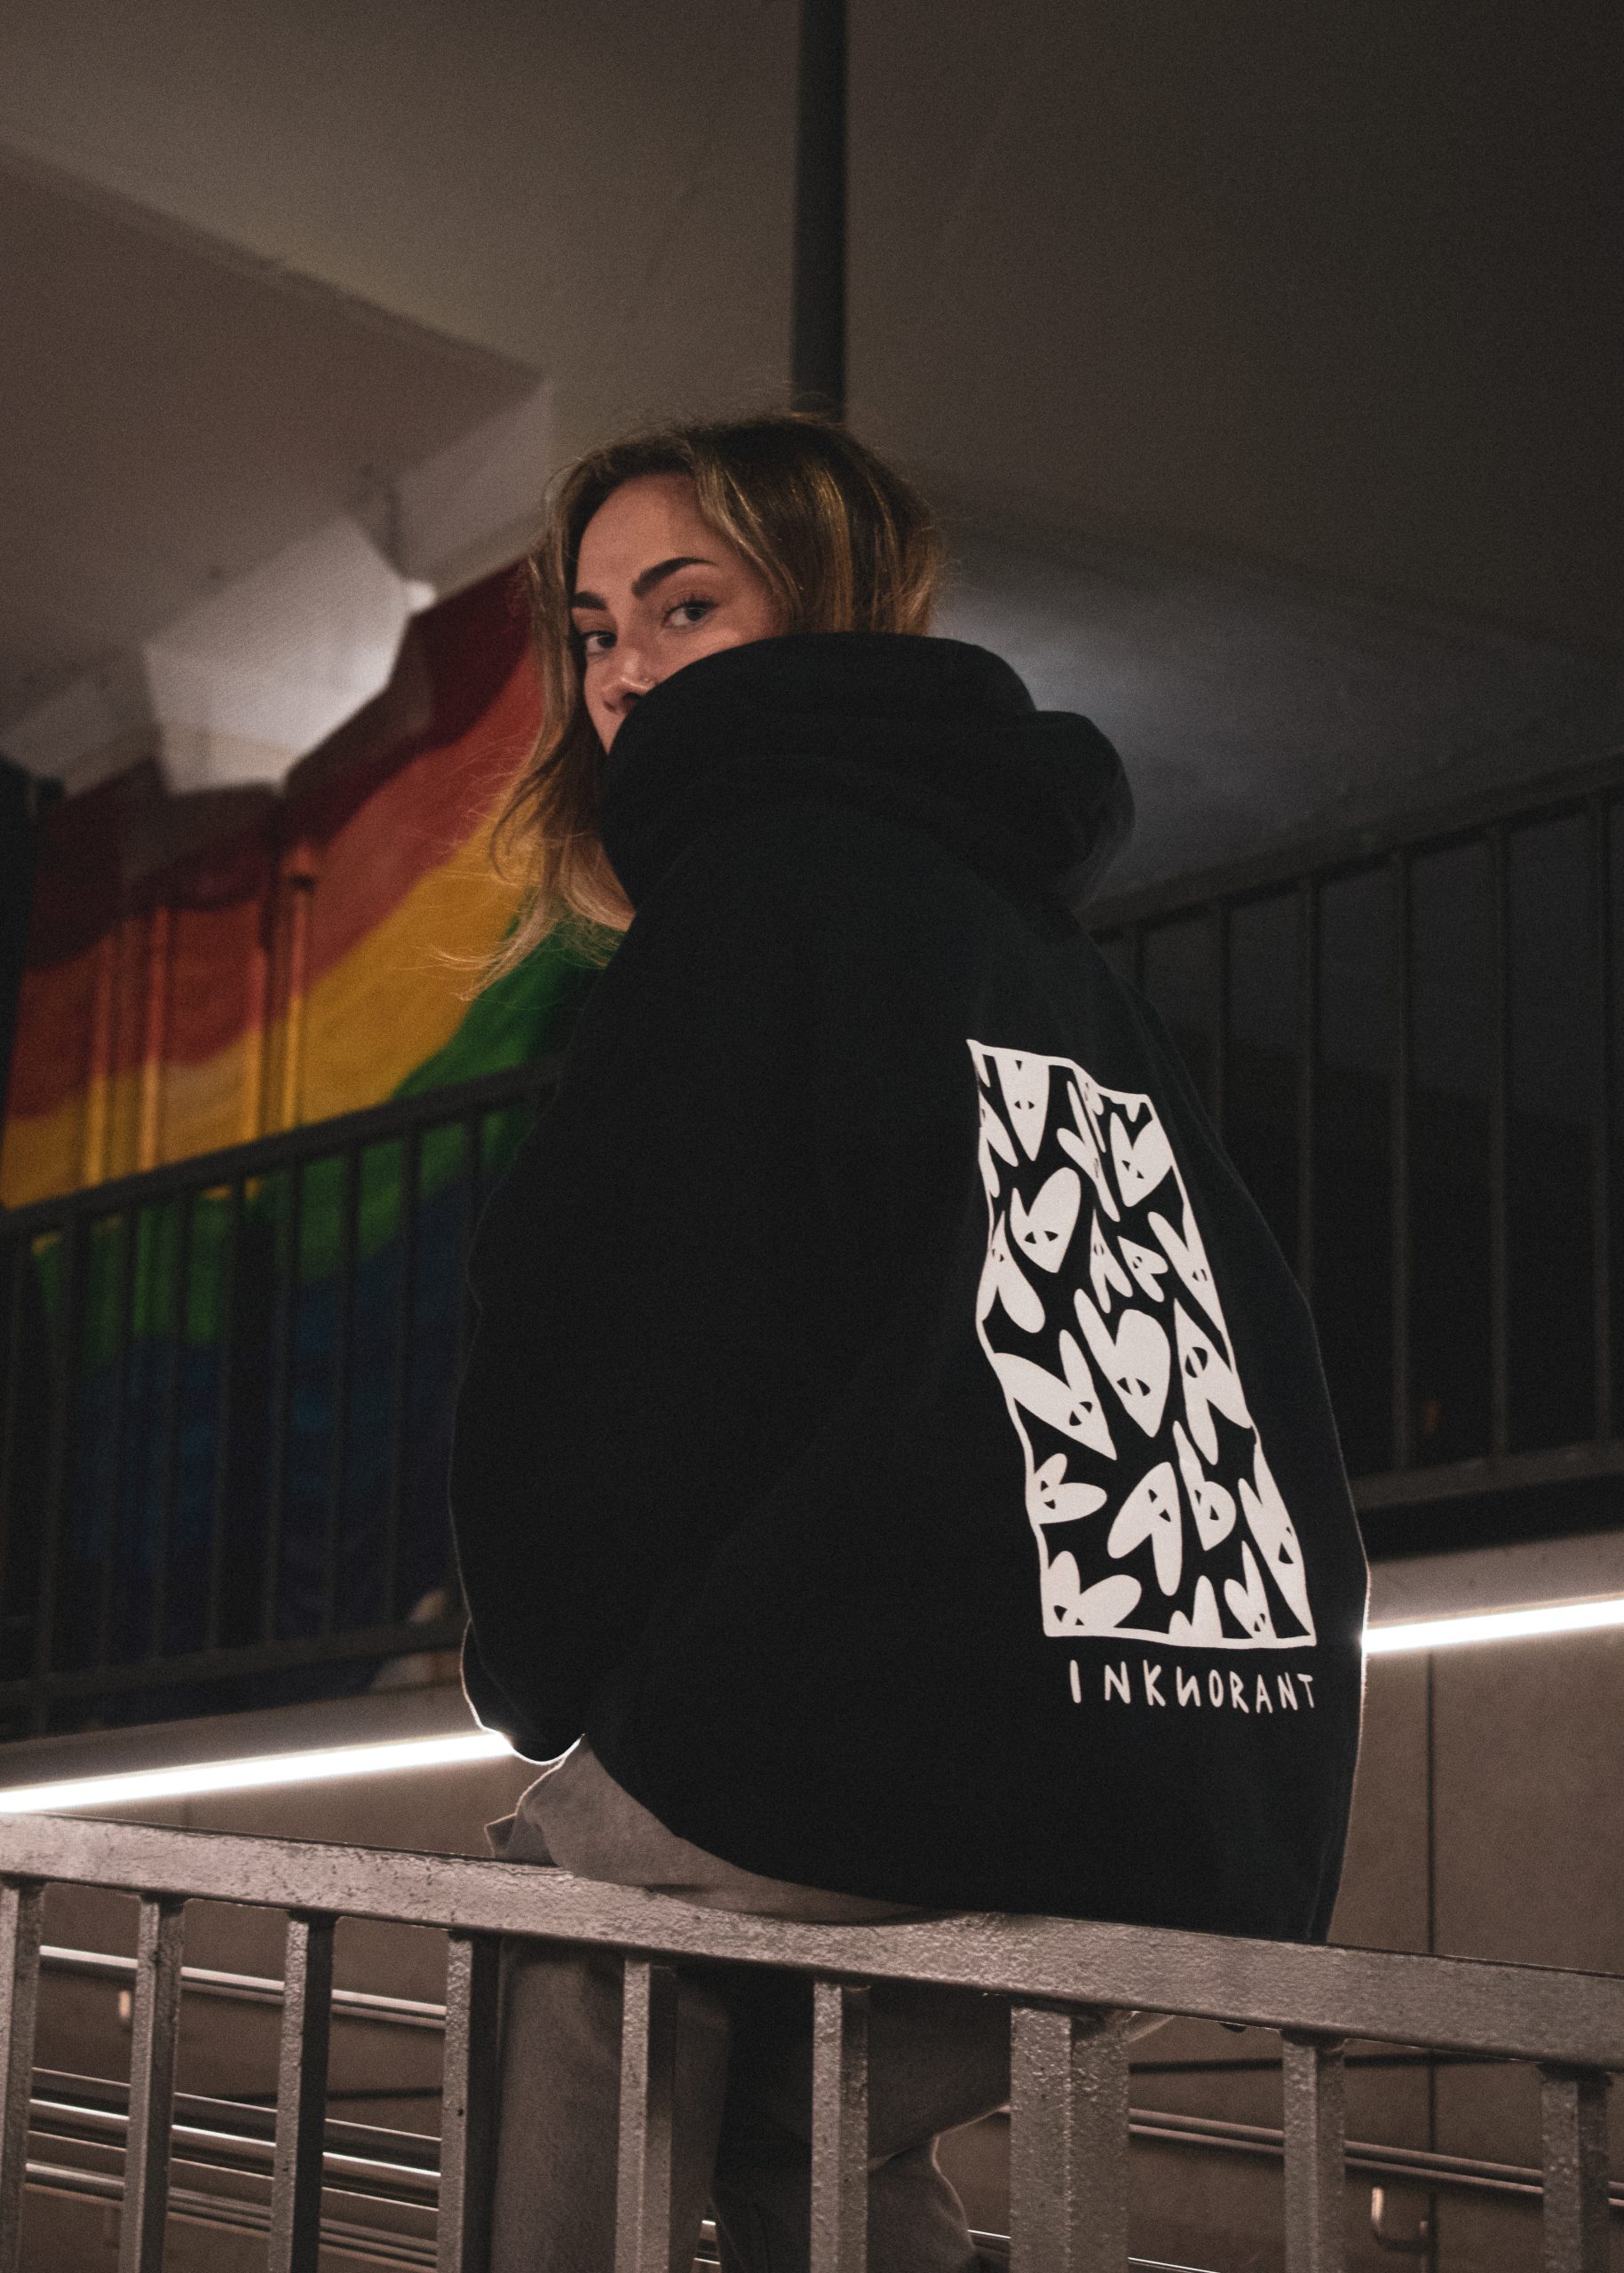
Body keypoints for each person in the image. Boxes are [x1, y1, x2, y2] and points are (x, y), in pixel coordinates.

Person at [449, 412, 1368, 2272]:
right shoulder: (1040, 944)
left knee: (567, 1920)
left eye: (685, 607)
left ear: (830, 606)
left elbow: (622, 1328)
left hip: (929, 1720)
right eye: (597, 630)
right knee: (808, 2109)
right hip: (1208, 1768)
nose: (622, 674)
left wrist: (548, 1672)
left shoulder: (759, 889)